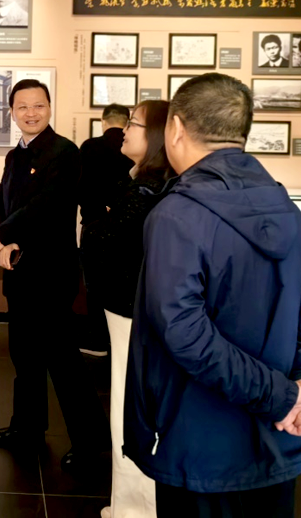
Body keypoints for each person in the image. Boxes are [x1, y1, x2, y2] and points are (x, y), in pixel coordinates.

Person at [124, 73, 301, 517]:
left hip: (199, 445)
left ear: (175, 128)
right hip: (280, 439)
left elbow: (184, 333)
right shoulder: (288, 209)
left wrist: (284, 396)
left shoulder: (177, 216)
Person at [0, 79, 110, 472]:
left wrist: (5, 236)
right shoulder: (15, 155)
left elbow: (47, 205)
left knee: (62, 358)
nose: (31, 113)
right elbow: (0, 201)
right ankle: (26, 428)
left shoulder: (65, 152)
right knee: (24, 355)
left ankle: (90, 443)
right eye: (22, 107)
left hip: (51, 273)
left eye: (38, 105)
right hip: (18, 269)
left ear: (50, 108)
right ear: (12, 112)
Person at [96, 100, 175, 518]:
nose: (124, 129)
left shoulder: (146, 192)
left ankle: (134, 509)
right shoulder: (144, 184)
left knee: (129, 410)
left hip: (133, 312)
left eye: (135, 123)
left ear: (157, 136)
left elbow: (106, 242)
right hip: (128, 310)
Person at [78, 104, 134, 357]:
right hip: (128, 226)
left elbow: (80, 187)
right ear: (127, 122)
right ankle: (122, 342)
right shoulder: (134, 146)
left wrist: (98, 208)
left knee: (95, 283)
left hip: (94, 222)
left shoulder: (90, 147)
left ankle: (98, 340)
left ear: (103, 121)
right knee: (124, 282)